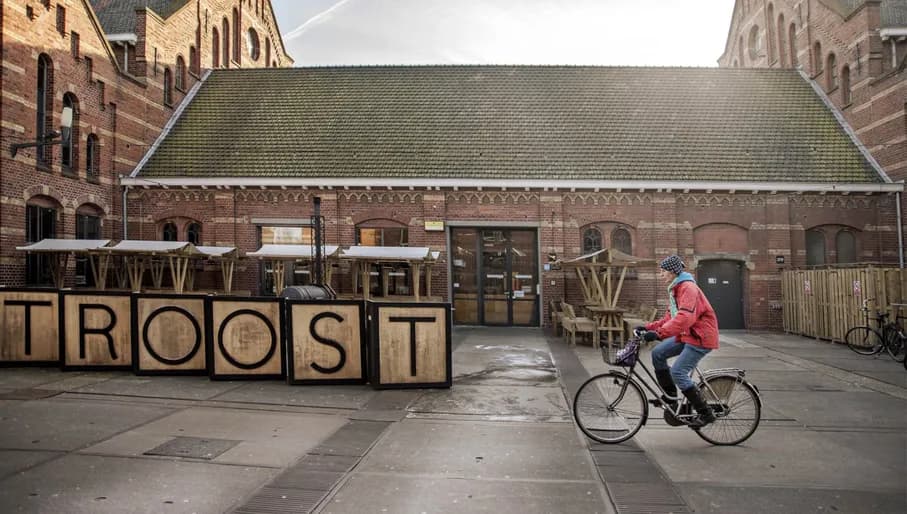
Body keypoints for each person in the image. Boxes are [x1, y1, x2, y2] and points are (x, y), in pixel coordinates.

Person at [635, 255, 719, 428]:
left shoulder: (688, 288)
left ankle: (705, 413)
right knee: (658, 353)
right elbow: (669, 317)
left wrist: (659, 334)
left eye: (663, 270)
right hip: (687, 334)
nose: (661, 274)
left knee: (678, 372)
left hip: (700, 337)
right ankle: (671, 396)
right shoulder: (676, 288)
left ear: (673, 272)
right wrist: (649, 327)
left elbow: (684, 318)